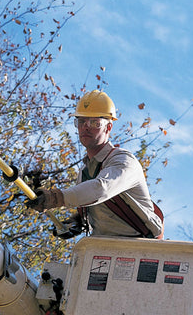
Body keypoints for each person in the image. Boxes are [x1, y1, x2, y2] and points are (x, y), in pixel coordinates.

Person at [26, 90, 163, 238]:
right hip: (103, 247)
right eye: (81, 122)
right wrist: (77, 223)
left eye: (94, 122)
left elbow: (101, 189)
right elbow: (95, 206)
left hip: (142, 246)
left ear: (108, 127)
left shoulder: (123, 161)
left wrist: (56, 198)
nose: (86, 127)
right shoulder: (85, 173)